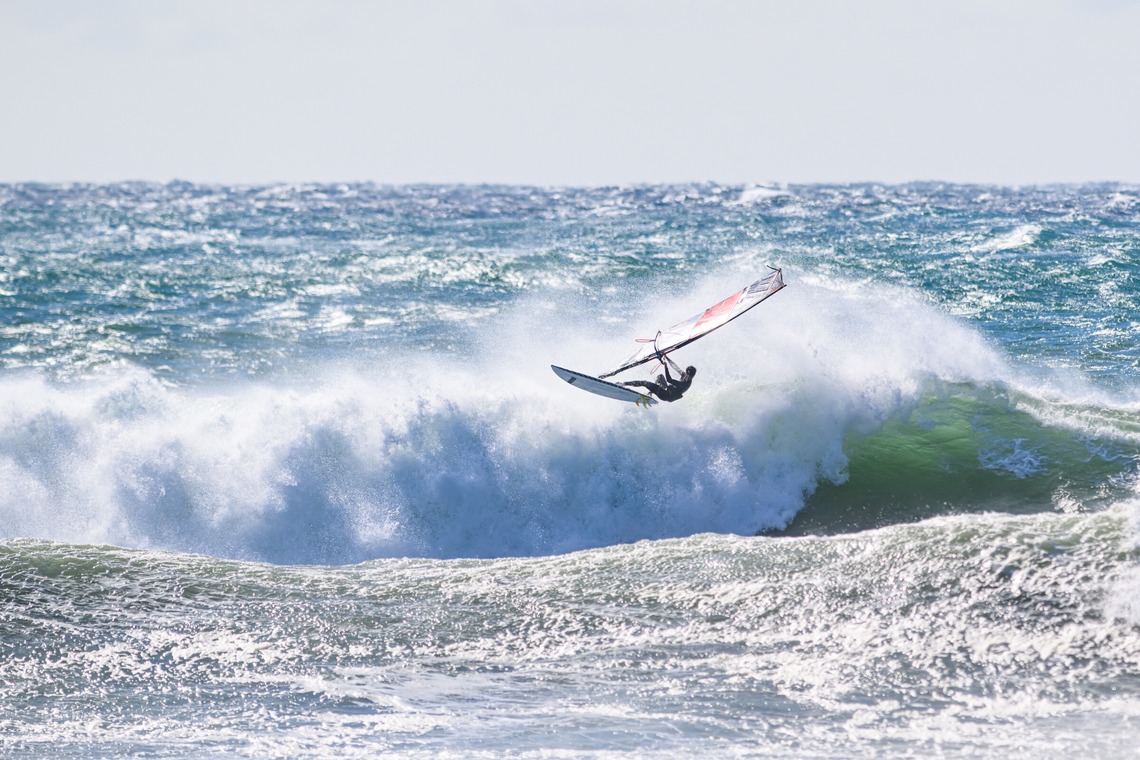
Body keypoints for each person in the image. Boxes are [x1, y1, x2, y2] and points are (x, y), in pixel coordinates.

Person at [621, 354, 696, 402]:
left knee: (645, 383)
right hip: (666, 389)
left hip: (665, 395)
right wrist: (666, 357)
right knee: (660, 376)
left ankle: (624, 384)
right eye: (686, 374)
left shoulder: (685, 384)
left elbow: (669, 380)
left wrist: (665, 366)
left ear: (692, 376)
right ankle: (653, 389)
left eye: (689, 376)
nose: (687, 376)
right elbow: (675, 367)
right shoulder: (684, 375)